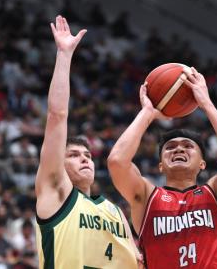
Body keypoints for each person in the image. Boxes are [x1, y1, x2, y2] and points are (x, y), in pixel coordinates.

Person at [107, 67, 217, 268]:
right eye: (170, 147)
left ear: (202, 164)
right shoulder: (147, 197)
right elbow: (117, 162)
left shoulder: (215, 193)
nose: (178, 149)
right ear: (160, 166)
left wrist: (206, 104)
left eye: (188, 146)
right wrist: (147, 113)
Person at [35, 16, 139, 268]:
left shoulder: (115, 212)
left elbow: (138, 261)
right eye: (73, 155)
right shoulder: (56, 191)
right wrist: (64, 54)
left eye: (88, 156)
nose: (84, 158)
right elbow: (57, 117)